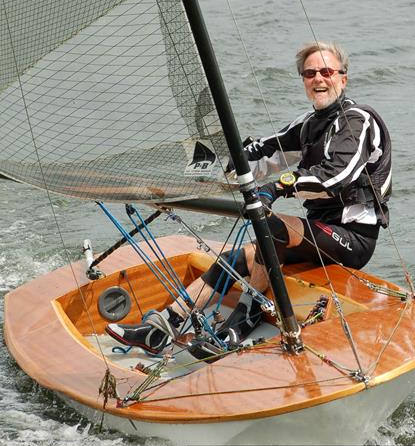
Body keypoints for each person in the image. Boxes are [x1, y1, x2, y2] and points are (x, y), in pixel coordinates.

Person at [106, 41, 392, 354]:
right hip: (314, 231)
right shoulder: (308, 124)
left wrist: (278, 187)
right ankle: (163, 326)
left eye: (326, 71)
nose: (318, 79)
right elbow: (261, 154)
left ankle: (236, 329)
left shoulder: (359, 121)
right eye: (310, 73)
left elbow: (333, 179)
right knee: (235, 259)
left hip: (353, 237)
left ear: (343, 78)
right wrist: (218, 163)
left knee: (271, 226)